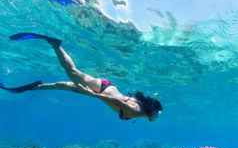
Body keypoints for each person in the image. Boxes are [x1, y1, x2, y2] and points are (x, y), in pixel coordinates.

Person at [0, 33, 162, 122]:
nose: (156, 117)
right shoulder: (135, 111)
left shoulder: (139, 111)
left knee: (69, 87)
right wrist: (94, 95)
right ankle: (56, 45)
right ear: (152, 111)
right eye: (157, 114)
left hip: (105, 88)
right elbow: (116, 102)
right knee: (73, 73)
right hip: (101, 90)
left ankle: (37, 86)